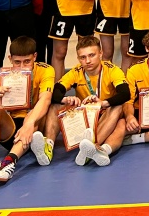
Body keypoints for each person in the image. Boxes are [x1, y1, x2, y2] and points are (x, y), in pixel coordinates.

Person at [0, 35, 55, 184]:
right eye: (17, 62)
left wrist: (29, 123)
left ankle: (9, 162)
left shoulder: (46, 70)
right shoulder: (4, 78)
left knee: (36, 114)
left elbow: (45, 100)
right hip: (12, 130)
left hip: (35, 130)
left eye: (27, 61)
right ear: (10, 59)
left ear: (35, 57)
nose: (22, 66)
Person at [44, 34, 130, 166]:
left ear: (100, 53)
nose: (88, 61)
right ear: (78, 58)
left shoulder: (112, 70)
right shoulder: (76, 72)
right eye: (83, 57)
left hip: (105, 118)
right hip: (84, 119)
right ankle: (48, 147)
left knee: (119, 111)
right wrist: (66, 99)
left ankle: (91, 147)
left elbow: (125, 93)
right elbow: (55, 92)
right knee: (55, 105)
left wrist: (103, 103)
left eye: (92, 55)